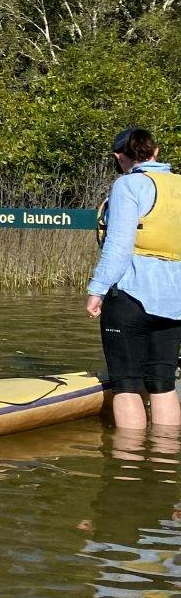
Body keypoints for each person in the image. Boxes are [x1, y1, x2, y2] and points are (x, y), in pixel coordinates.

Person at [86, 127, 181, 430]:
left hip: (130, 298)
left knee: (126, 386)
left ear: (119, 157)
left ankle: (127, 469)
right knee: (163, 384)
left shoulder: (128, 185)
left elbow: (118, 247)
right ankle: (165, 461)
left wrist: (97, 290)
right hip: (175, 301)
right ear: (157, 153)